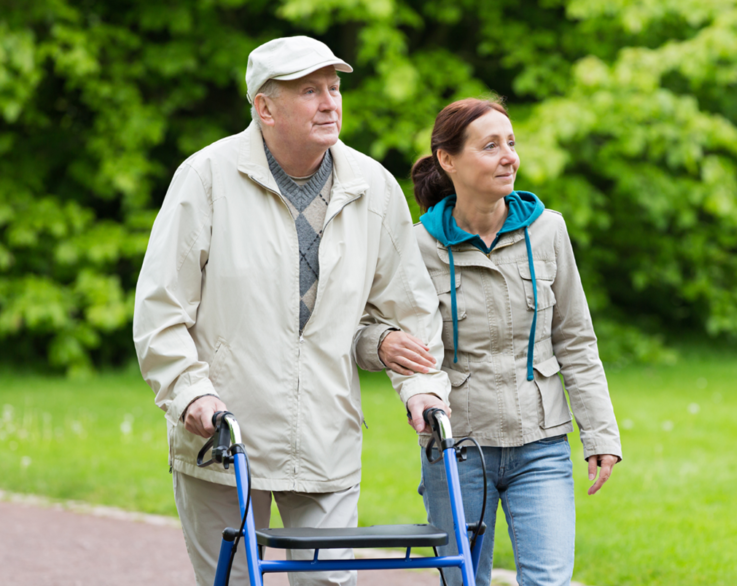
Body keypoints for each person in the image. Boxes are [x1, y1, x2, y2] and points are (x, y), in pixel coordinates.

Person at [133, 36, 449, 586]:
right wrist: (189, 391)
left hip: (325, 433)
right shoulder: (205, 178)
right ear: (264, 107)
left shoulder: (371, 185)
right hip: (223, 438)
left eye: (334, 87)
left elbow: (409, 306)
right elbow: (160, 308)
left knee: (328, 582)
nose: (330, 102)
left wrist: (422, 386)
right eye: (309, 90)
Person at [363, 98, 622, 586]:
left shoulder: (548, 231)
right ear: (448, 159)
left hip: (540, 446)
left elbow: (577, 341)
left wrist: (600, 434)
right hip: (455, 445)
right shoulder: (417, 245)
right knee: (462, 581)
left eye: (511, 143)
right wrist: (382, 344)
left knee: (548, 581)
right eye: (490, 146)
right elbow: (366, 328)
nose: (509, 156)